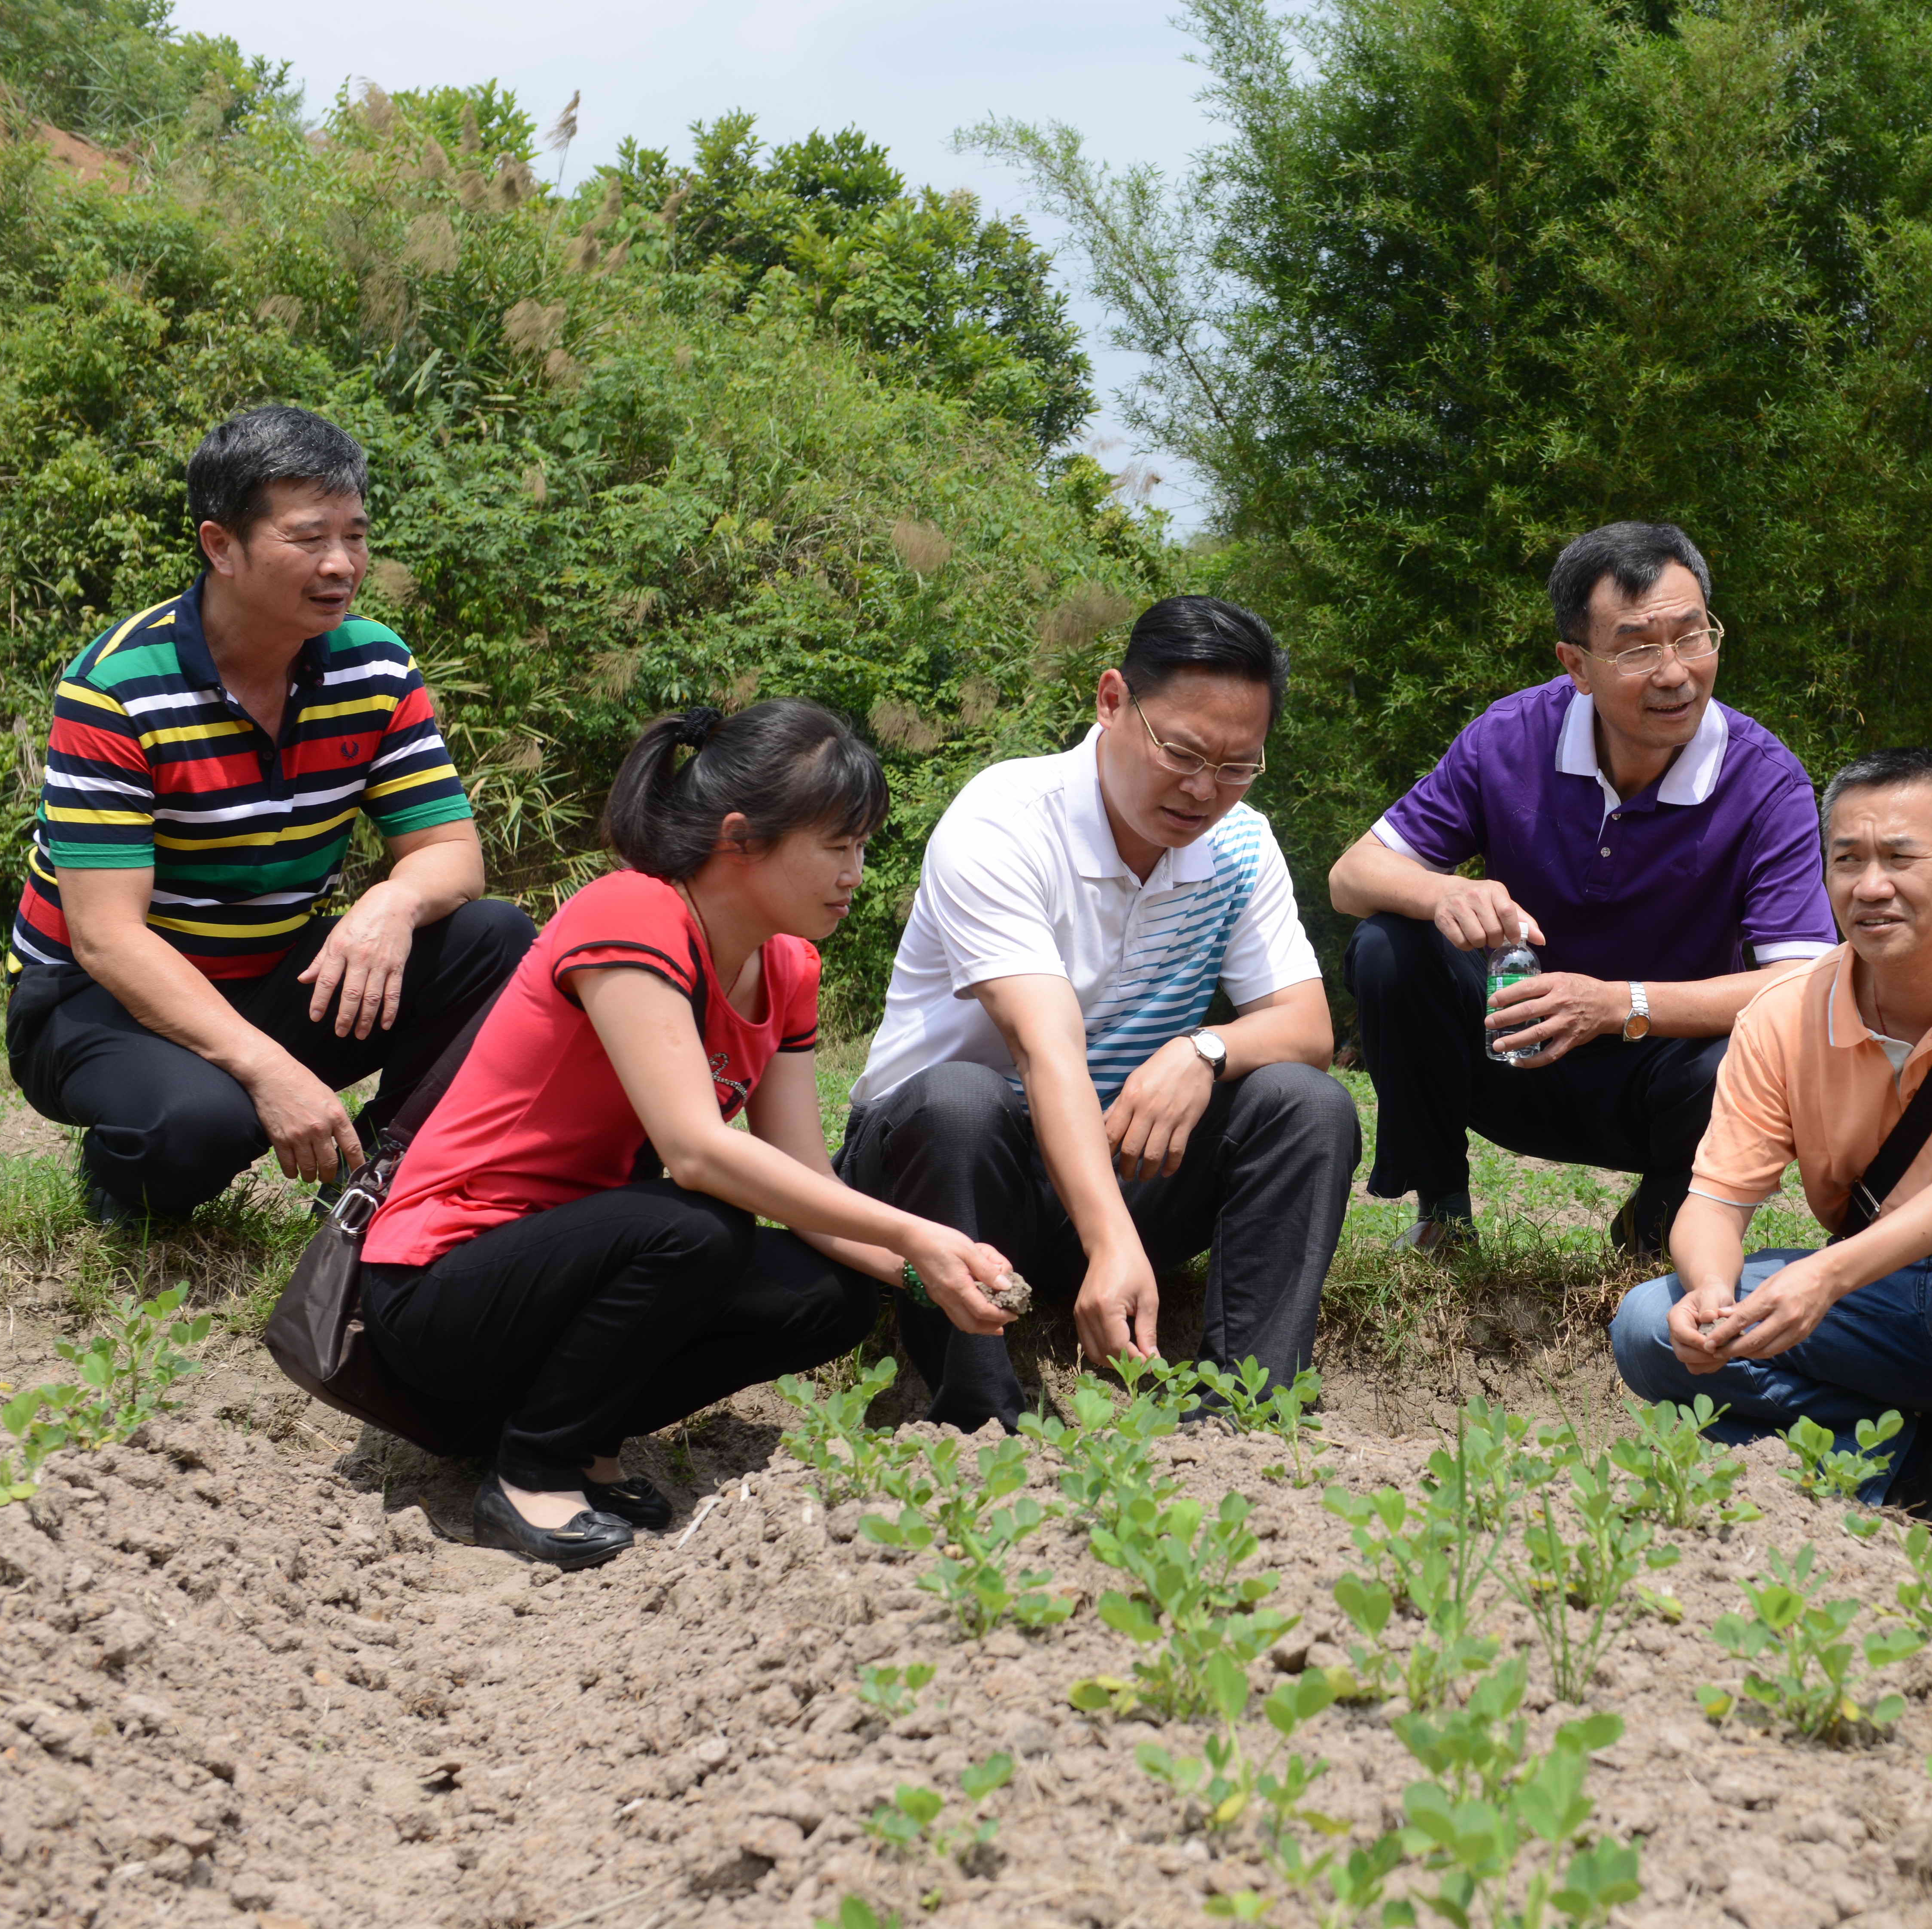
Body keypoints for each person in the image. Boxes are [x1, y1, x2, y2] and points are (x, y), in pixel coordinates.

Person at [359, 702, 1021, 1568]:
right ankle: (532, 1470)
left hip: (574, 1275)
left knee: (831, 1290)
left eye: (862, 846)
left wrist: (933, 1271)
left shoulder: (787, 967)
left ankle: (582, 1432)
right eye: (836, 845)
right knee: (696, 1222)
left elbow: (808, 1184)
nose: (855, 872)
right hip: (441, 1283)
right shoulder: (630, 913)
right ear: (740, 837)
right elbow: (696, 1150)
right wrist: (914, 1230)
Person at [1608, 750, 1932, 1581]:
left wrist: (1827, 1275)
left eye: (1898, 857)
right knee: (1649, 1325)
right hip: (1890, 1303)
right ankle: (1902, 1465)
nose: (1868, 885)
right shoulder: (1782, 1011)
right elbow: (1712, 1199)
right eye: (1846, 859)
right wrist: (1711, 1294)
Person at [839, 595, 1359, 1431]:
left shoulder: (1239, 844)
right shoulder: (1005, 819)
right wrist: (1114, 1241)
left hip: (1111, 1167)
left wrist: (1205, 1049)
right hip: (946, 1178)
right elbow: (1046, 1049)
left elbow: (1307, 1026)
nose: (1202, 789)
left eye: (1236, 765)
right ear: (1111, 700)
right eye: (1181, 750)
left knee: (1307, 1104)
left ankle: (1246, 1412)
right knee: (960, 1099)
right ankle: (974, 1417)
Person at [4, 405, 534, 1224]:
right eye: (309, 538)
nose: (341, 565)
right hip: (96, 996)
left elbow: (453, 857)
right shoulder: (118, 685)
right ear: (222, 545)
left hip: (268, 972)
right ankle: (125, 1166)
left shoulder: (377, 665)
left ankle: (382, 1171)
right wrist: (270, 1071)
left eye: (355, 536)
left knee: (492, 936)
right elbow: (107, 936)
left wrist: (389, 903)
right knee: (198, 1128)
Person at [1329, 522, 1831, 1256]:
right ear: (1577, 665)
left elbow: (1804, 980)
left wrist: (1614, 1003)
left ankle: (1655, 1228)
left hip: (1658, 1073)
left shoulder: (1766, 781)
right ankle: (1444, 1213)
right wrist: (1442, 894)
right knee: (1387, 944)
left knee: (1751, 1051)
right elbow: (1351, 876)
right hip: (1507, 1055)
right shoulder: (1508, 738)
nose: (1675, 672)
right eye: (1636, 647)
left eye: (1694, 637)